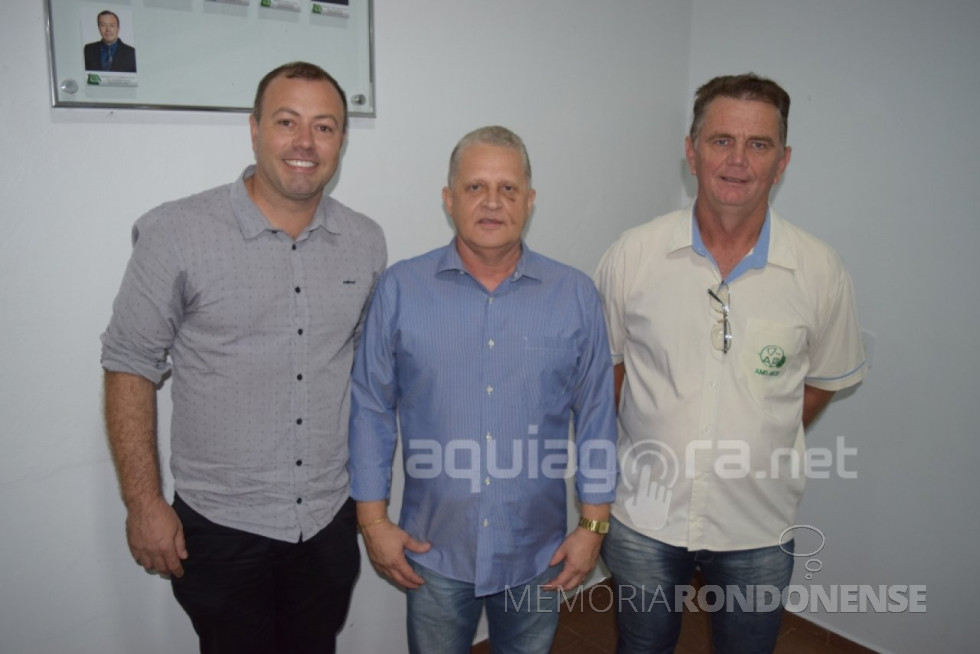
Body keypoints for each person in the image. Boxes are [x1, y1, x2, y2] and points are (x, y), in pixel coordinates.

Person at [101, 61, 386, 654]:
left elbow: (362, 371)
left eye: (324, 126)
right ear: (254, 129)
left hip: (328, 520)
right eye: (287, 122)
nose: (305, 143)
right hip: (221, 527)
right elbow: (129, 365)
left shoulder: (366, 242)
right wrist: (144, 504)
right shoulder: (176, 232)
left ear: (341, 141)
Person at [594, 73, 867, 654]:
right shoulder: (633, 255)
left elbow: (819, 383)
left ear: (783, 160)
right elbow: (610, 369)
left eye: (758, 144)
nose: (738, 160)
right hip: (646, 517)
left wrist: (755, 438)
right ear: (691, 151)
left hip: (758, 527)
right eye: (721, 140)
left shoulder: (820, 270)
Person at [348, 125, 618, 654]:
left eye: (508, 188)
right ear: (449, 199)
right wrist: (372, 520)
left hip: (537, 552)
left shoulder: (575, 295)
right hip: (434, 549)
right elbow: (370, 408)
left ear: (530, 201)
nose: (492, 202)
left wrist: (593, 527)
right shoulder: (401, 289)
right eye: (475, 187)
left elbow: (596, 418)